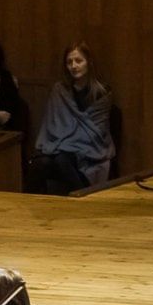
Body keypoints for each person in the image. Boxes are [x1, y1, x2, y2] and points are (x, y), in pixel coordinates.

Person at [28, 43, 115, 193]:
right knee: (40, 164)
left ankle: (83, 199)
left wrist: (68, 144)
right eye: (69, 62)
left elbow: (96, 131)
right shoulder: (59, 90)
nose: (73, 66)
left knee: (63, 159)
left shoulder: (101, 92)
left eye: (78, 61)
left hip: (90, 147)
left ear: (89, 62)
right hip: (60, 145)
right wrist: (63, 143)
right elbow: (53, 124)